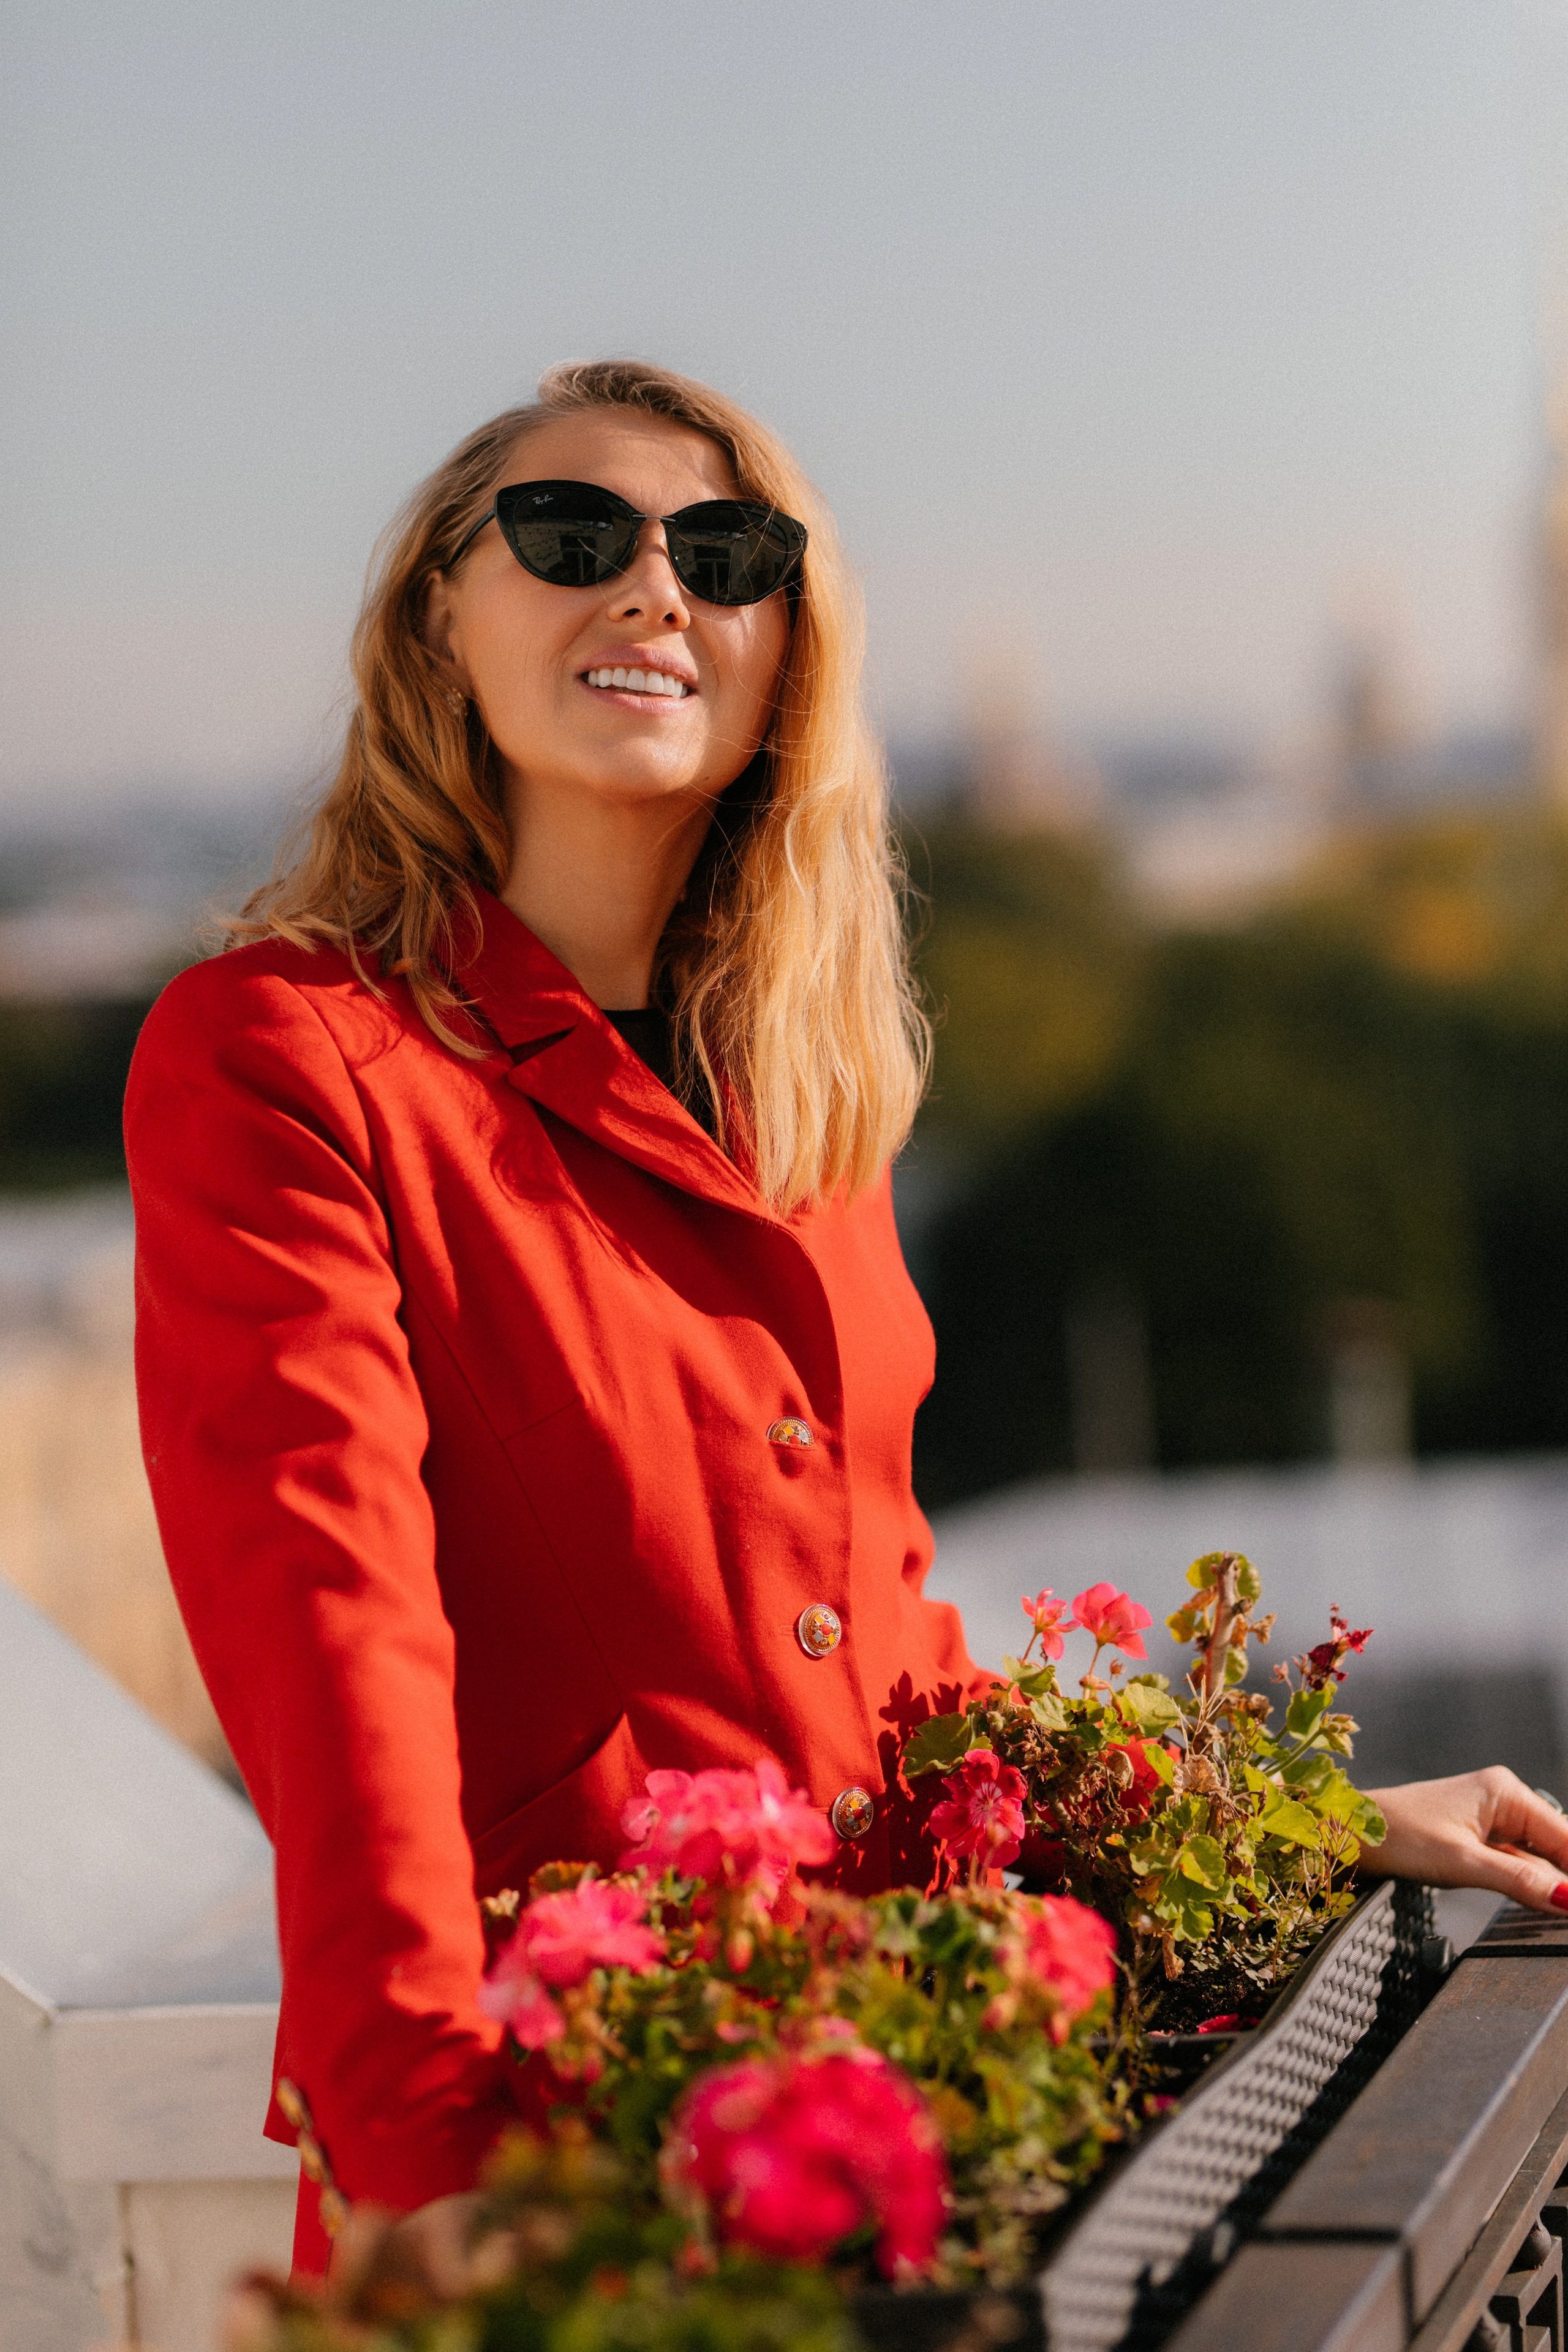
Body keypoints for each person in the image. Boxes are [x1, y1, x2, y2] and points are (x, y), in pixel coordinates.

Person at [124, 360, 1568, 2278]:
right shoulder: (292, 1062)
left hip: (919, 2140)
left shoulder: (802, 1114)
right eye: (573, 538)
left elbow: (889, 1680)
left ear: (786, 648)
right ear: (433, 624)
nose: (655, 591)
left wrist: (1304, 1820)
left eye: (724, 554)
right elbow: (339, 1654)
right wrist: (427, 2154)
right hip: (566, 2175)